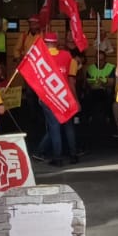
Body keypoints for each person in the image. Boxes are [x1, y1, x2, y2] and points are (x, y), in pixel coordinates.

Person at [39, 33, 80, 166]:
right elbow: (71, 80)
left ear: (45, 43)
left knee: (54, 127)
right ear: (56, 43)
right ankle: (73, 155)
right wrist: (76, 100)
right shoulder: (67, 56)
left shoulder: (41, 58)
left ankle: (58, 158)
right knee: (69, 126)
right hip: (65, 96)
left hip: (49, 98)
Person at [83, 49, 116, 127]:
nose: (100, 62)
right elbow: (88, 83)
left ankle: (108, 118)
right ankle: (88, 118)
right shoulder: (90, 68)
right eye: (98, 60)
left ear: (105, 59)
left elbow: (111, 83)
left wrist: (98, 83)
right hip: (93, 91)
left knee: (110, 96)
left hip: (106, 91)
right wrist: (104, 81)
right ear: (95, 59)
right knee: (87, 97)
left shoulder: (111, 67)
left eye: (102, 60)